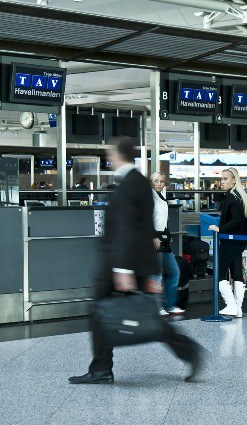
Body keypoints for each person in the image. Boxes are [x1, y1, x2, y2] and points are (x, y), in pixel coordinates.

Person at [69, 137, 203, 385]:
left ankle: (102, 368)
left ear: (118, 154)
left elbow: (128, 228)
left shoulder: (132, 183)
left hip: (122, 264)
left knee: (101, 312)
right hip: (132, 263)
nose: (108, 157)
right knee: (141, 316)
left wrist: (122, 269)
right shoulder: (136, 182)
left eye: (110, 152)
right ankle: (188, 351)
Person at [208, 167, 247, 317]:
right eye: (222, 179)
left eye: (225, 179)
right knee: (236, 273)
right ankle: (238, 309)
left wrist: (220, 229)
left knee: (219, 273)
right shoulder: (239, 196)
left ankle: (231, 305)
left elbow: (237, 219)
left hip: (231, 241)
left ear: (234, 180)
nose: (222, 182)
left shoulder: (232, 197)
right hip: (239, 241)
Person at [149, 171, 184, 317]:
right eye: (156, 181)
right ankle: (156, 308)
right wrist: (154, 237)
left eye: (162, 181)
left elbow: (163, 219)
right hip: (153, 240)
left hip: (163, 239)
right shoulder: (149, 197)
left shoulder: (161, 196)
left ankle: (170, 305)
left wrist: (167, 236)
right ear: (151, 182)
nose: (159, 183)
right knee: (156, 275)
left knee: (174, 272)